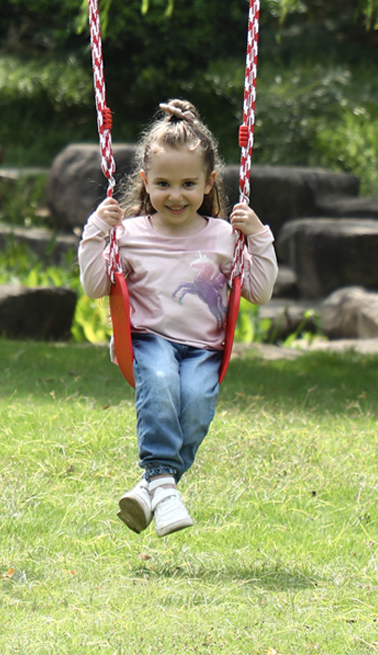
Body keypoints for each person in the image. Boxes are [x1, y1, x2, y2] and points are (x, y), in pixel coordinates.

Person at [78, 100, 277, 538]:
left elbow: (260, 291)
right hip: (149, 340)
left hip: (205, 348)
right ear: (145, 182)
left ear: (208, 184)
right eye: (164, 183)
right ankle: (162, 480)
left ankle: (153, 487)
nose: (176, 195)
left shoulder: (225, 236)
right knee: (164, 382)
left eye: (189, 183)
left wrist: (258, 235)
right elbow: (95, 286)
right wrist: (97, 229)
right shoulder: (128, 234)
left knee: (197, 408)